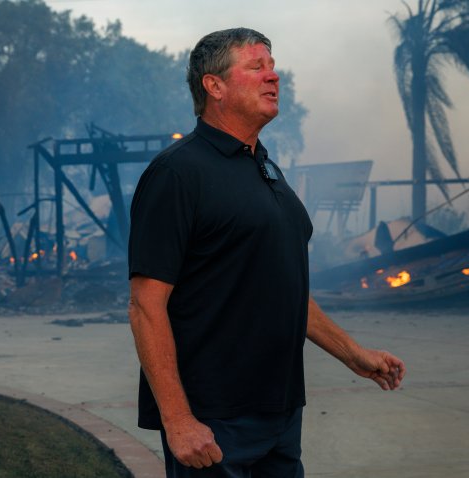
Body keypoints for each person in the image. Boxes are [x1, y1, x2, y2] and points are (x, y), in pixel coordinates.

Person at [127, 27, 406, 478]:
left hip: (280, 411)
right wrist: (178, 421)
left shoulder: (266, 170)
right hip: (214, 422)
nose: (273, 77)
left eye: (273, 67)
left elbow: (283, 289)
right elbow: (145, 304)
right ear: (214, 86)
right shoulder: (178, 174)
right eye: (256, 67)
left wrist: (353, 354)